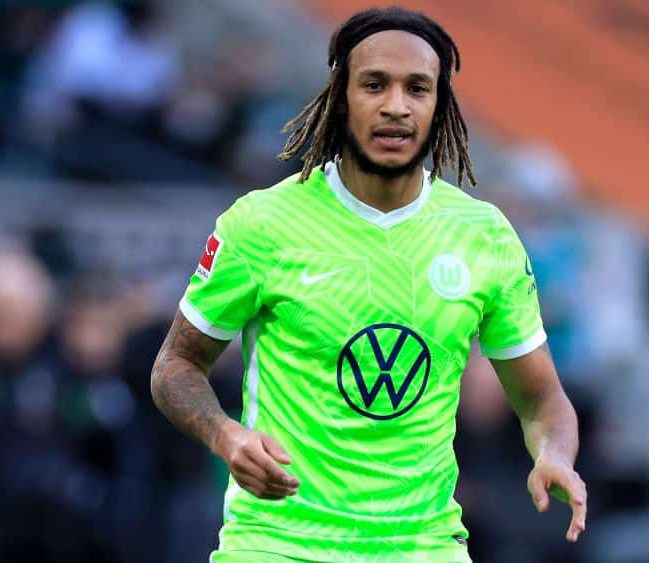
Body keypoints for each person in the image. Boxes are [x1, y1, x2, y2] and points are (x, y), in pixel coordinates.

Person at [150, 7, 587, 562]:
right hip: (279, 546)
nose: (396, 105)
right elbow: (175, 365)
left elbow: (542, 399)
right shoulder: (261, 225)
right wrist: (223, 433)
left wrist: (554, 454)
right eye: (375, 85)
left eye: (417, 88)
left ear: (439, 105)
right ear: (341, 96)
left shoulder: (486, 237)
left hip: (422, 548)